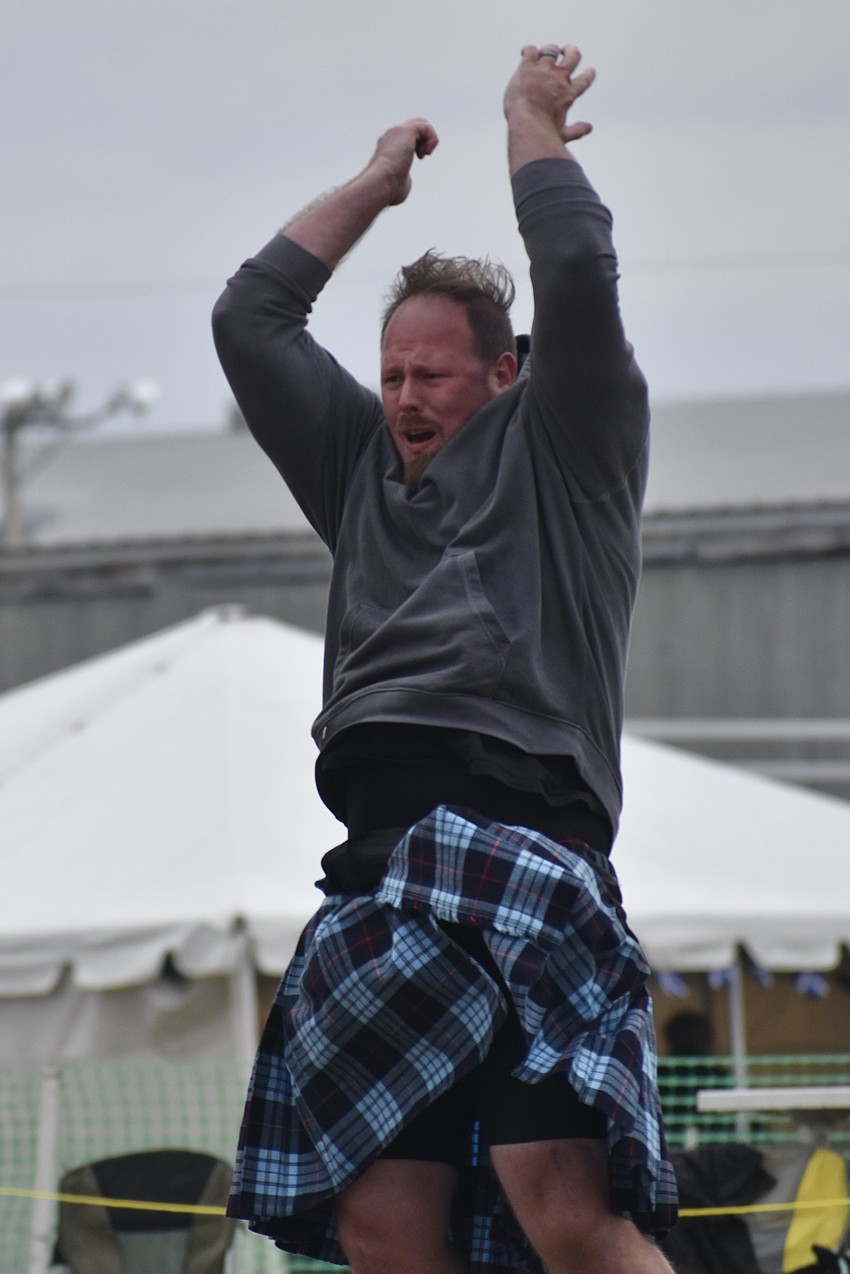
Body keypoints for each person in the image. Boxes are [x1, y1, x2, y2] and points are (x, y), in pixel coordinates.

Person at [213, 43, 678, 1274]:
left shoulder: (568, 445)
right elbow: (249, 319)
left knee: (562, 1204)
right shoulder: (358, 466)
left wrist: (529, 121)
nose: (405, 397)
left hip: (520, 846)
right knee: (381, 1223)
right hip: (377, 876)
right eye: (391, 375)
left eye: (433, 375)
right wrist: (375, 185)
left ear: (507, 372)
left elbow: (572, 270)